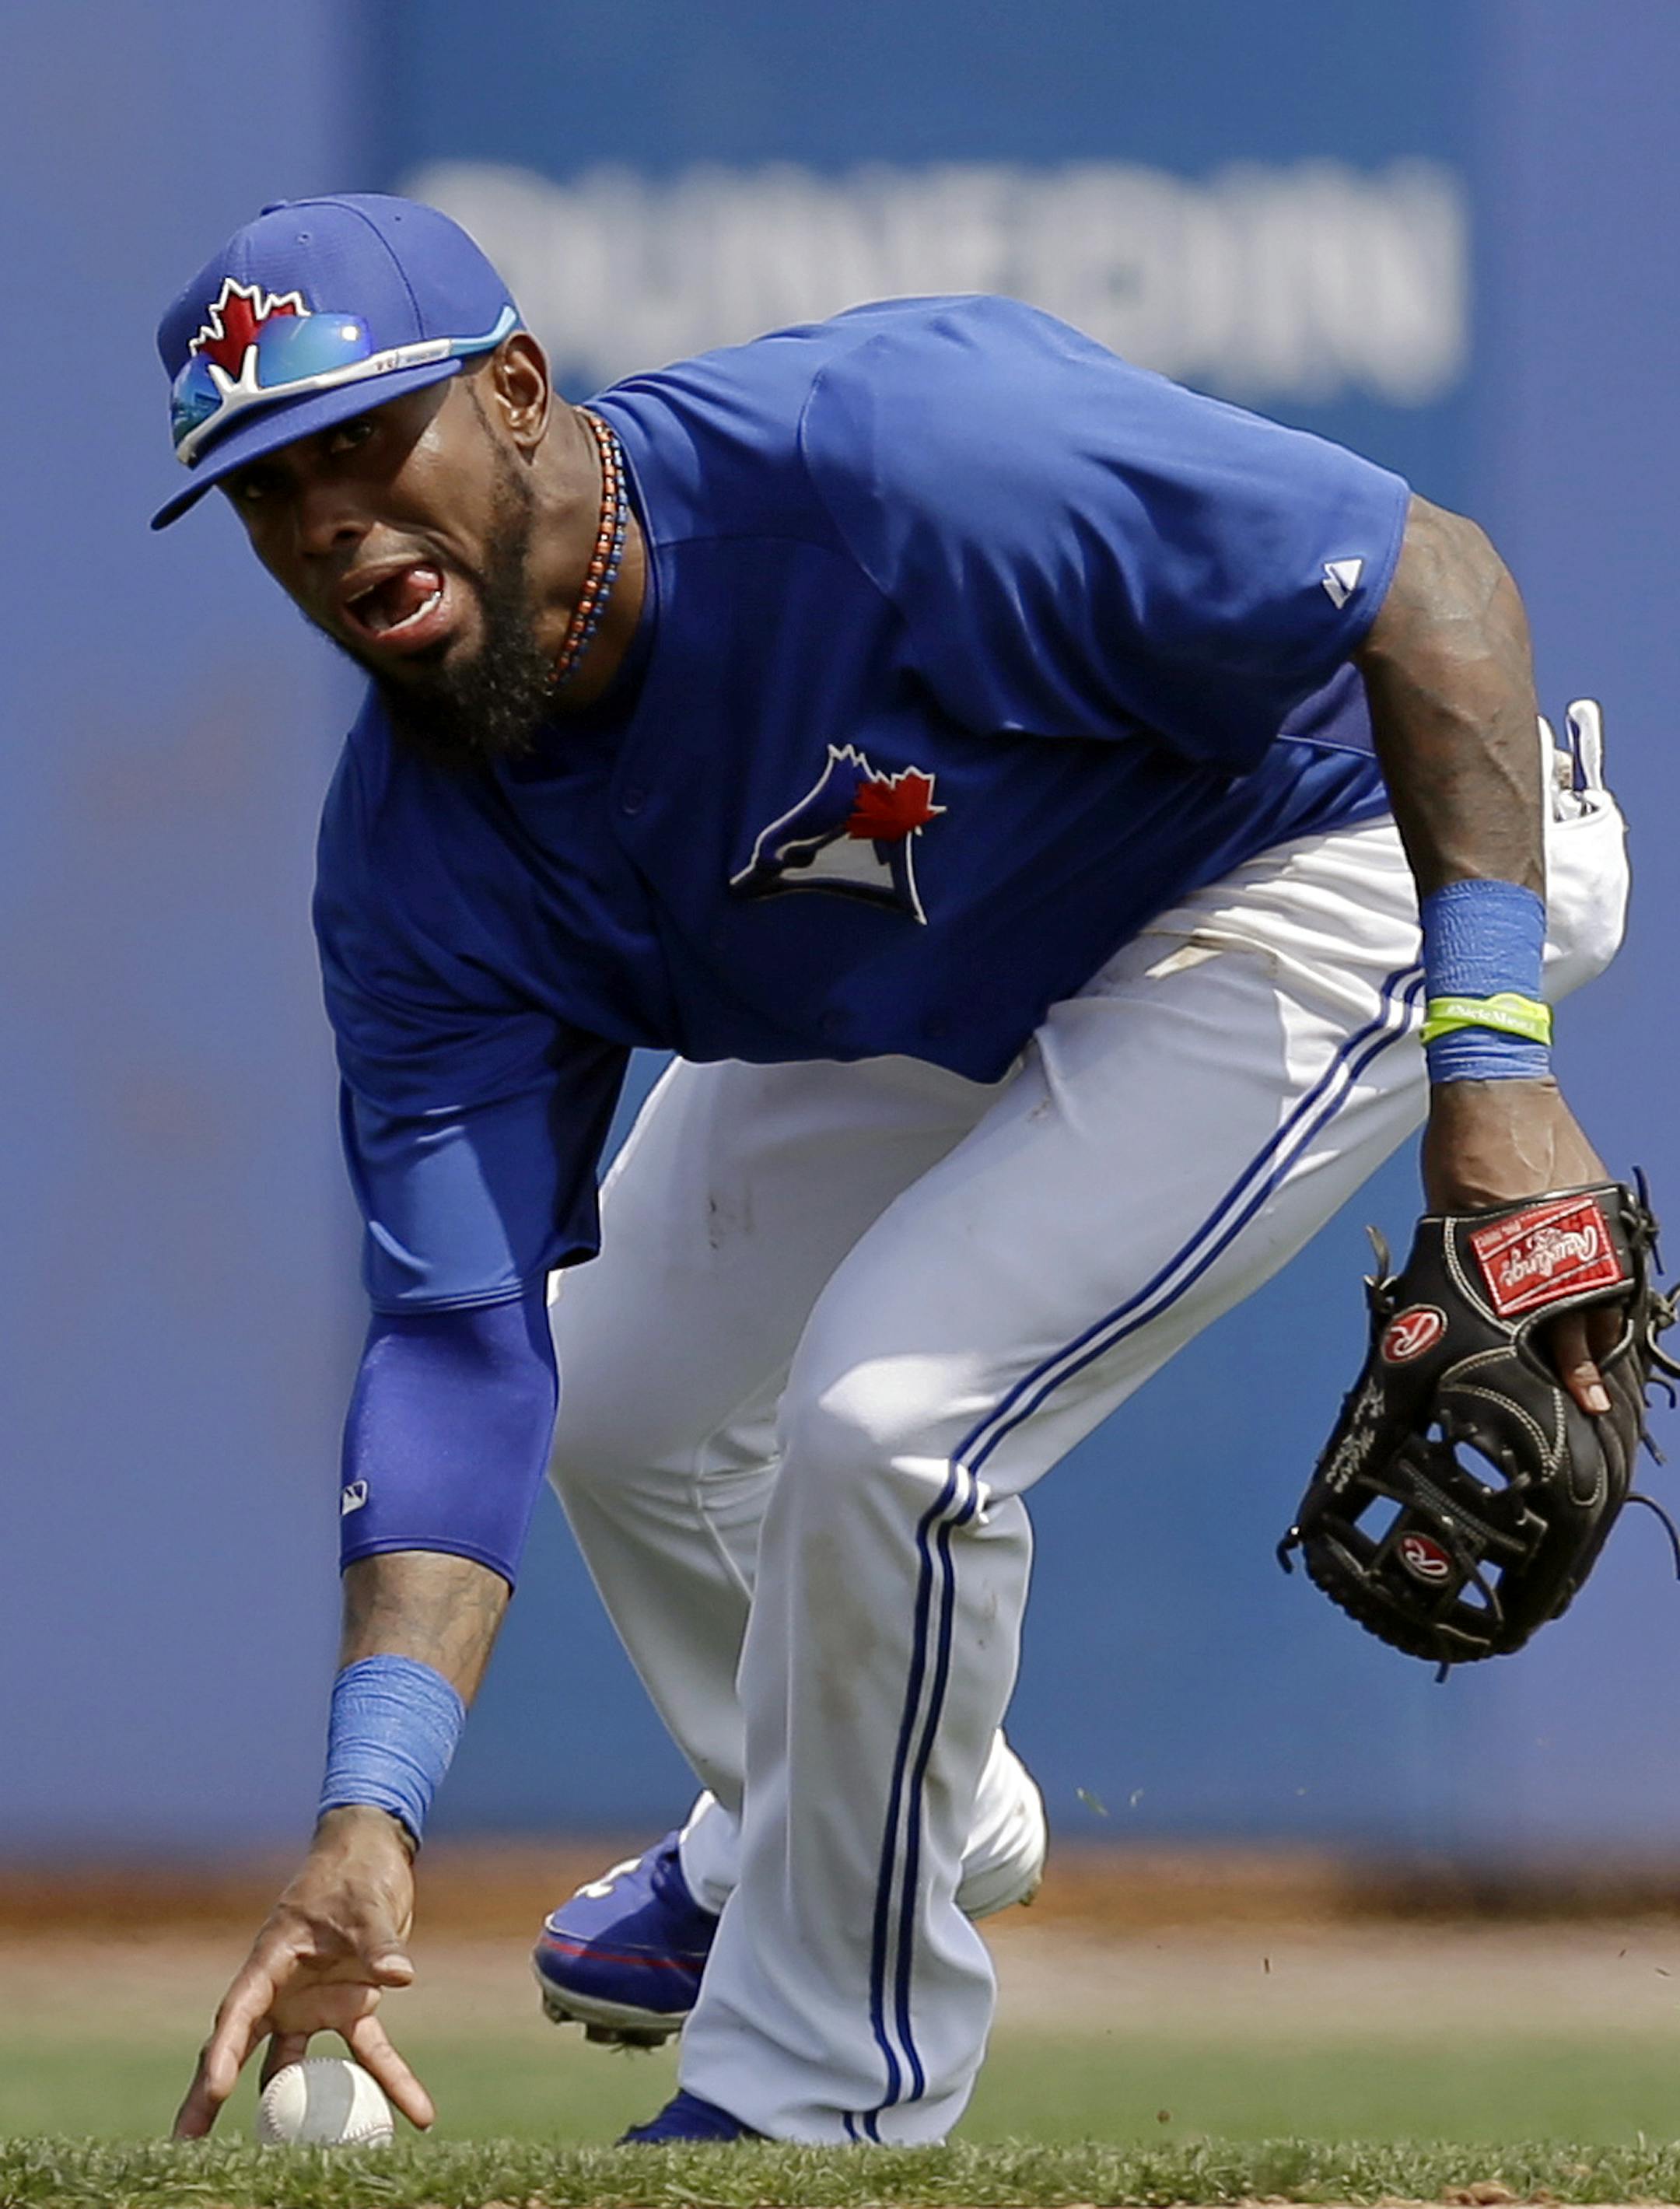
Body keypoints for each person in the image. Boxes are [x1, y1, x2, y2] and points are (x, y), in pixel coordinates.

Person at [158, 195, 1628, 2147]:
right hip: (981, 951)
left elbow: (1434, 587)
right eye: (267, 486)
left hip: (1330, 858)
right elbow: (455, 1346)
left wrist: (1495, 1060)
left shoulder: (894, 457)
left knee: (890, 1426)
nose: (327, 519)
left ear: (515, 388)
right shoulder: (421, 855)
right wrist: (372, 1817)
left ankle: (818, 2089)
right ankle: (860, 1824)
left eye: (363, 439)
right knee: (621, 1400)